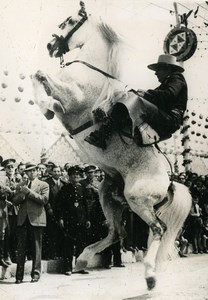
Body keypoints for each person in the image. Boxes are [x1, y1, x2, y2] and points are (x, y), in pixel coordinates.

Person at [85, 54, 188, 149]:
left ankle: (103, 135)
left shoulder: (177, 78)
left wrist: (145, 94)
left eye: (158, 69)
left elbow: (169, 94)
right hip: (165, 118)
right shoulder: (167, 82)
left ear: (167, 69)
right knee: (129, 98)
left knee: (133, 99)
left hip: (170, 120)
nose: (156, 73)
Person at [13, 163, 49, 284]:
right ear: (26, 173)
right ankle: (19, 277)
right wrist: (22, 196)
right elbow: (14, 201)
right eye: (29, 171)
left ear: (37, 171)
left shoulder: (43, 185)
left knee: (36, 249)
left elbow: (44, 200)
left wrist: (29, 193)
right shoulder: (21, 185)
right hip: (23, 220)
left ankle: (36, 275)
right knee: (21, 249)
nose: (32, 173)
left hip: (37, 220)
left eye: (34, 171)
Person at [55, 165, 90, 276]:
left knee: (81, 245)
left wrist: (87, 219)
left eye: (77, 175)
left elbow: (86, 205)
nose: (75, 177)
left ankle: (79, 267)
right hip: (69, 221)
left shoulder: (82, 189)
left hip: (81, 220)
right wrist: (60, 218)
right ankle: (67, 268)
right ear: (69, 177)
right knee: (68, 245)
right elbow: (59, 205)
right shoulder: (65, 189)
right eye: (73, 175)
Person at [43, 165, 66, 259]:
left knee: (61, 233)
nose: (57, 173)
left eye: (58, 171)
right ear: (51, 172)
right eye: (55, 171)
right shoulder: (47, 183)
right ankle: (50, 254)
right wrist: (49, 208)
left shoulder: (64, 183)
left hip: (61, 212)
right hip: (51, 211)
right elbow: (46, 197)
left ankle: (59, 254)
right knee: (51, 233)